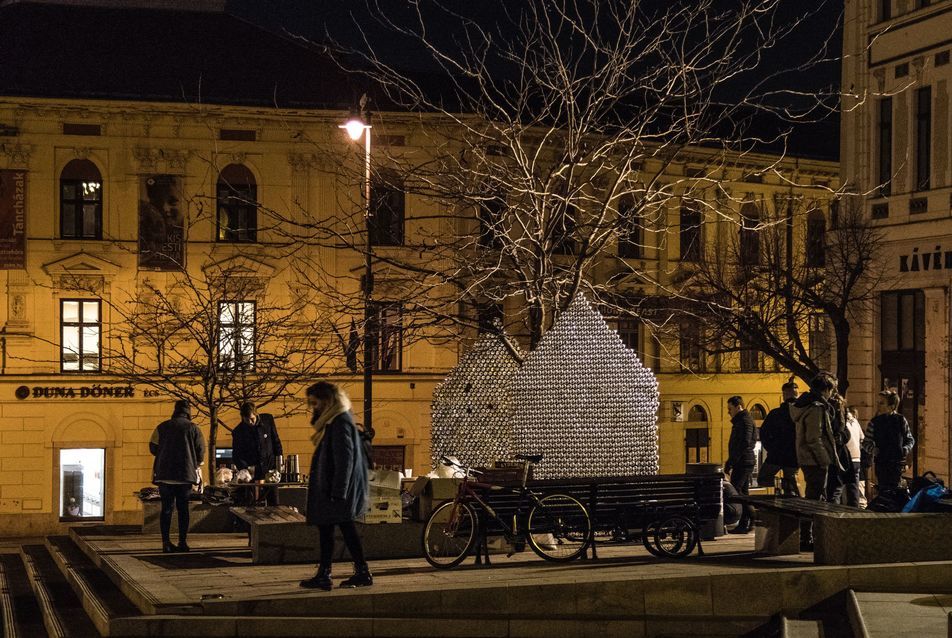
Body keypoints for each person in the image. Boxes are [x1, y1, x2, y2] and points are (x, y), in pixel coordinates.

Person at [300, 381, 371, 590]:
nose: (313, 408)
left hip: (336, 490)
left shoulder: (340, 422)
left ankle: (356, 572)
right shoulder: (335, 420)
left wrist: (339, 491)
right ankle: (330, 573)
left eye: (315, 403)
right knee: (331, 530)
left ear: (327, 401)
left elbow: (345, 459)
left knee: (341, 529)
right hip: (333, 488)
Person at [790, 372, 838, 550]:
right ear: (825, 389)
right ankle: (808, 538)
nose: (832, 394)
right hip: (815, 460)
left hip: (807, 458)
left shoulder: (804, 404)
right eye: (831, 390)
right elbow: (814, 438)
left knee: (814, 497)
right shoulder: (816, 408)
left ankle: (810, 536)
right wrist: (825, 460)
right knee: (814, 500)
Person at [149, 399, 205, 553]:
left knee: (166, 509)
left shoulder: (162, 427)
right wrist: (195, 462)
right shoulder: (193, 428)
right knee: (183, 509)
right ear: (189, 412)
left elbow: (153, 448)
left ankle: (166, 543)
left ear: (175, 410)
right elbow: (200, 451)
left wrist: (164, 453)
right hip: (185, 475)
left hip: (164, 474)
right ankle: (182, 542)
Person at [232, 402, 284, 505]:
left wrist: (279, 461)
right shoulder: (238, 431)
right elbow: (237, 453)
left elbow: (276, 441)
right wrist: (244, 469)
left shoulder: (268, 421)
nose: (250, 422)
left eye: (252, 419)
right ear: (242, 418)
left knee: (273, 500)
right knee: (251, 502)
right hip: (252, 470)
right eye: (247, 420)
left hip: (269, 467)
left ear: (256, 414)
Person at [862, 390, 915, 492]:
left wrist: (905, 449)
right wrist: (873, 450)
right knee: (884, 490)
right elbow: (866, 442)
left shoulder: (900, 420)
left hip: (897, 463)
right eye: (878, 402)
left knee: (896, 491)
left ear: (892, 406)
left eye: (882, 403)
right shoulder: (874, 422)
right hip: (882, 463)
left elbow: (910, 439)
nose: (878, 405)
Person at [757, 380, 801, 497]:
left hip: (777, 456)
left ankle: (782, 483)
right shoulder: (802, 413)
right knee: (792, 485)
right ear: (797, 394)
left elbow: (764, 433)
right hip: (794, 456)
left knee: (762, 478)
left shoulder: (776, 414)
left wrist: (772, 449)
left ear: (784, 395)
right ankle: (795, 506)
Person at [725, 395, 757, 534]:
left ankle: (753, 518)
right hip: (743, 460)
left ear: (738, 406)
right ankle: (745, 524)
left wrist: (732, 460)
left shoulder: (744, 421)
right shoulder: (742, 420)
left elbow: (745, 442)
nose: (728, 412)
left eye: (730, 408)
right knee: (743, 493)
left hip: (743, 461)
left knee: (737, 491)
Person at [843, 406, 865, 506]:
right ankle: (854, 510)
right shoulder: (855, 421)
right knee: (854, 488)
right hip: (857, 458)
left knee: (841, 490)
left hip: (846, 458)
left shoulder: (842, 421)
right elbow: (862, 438)